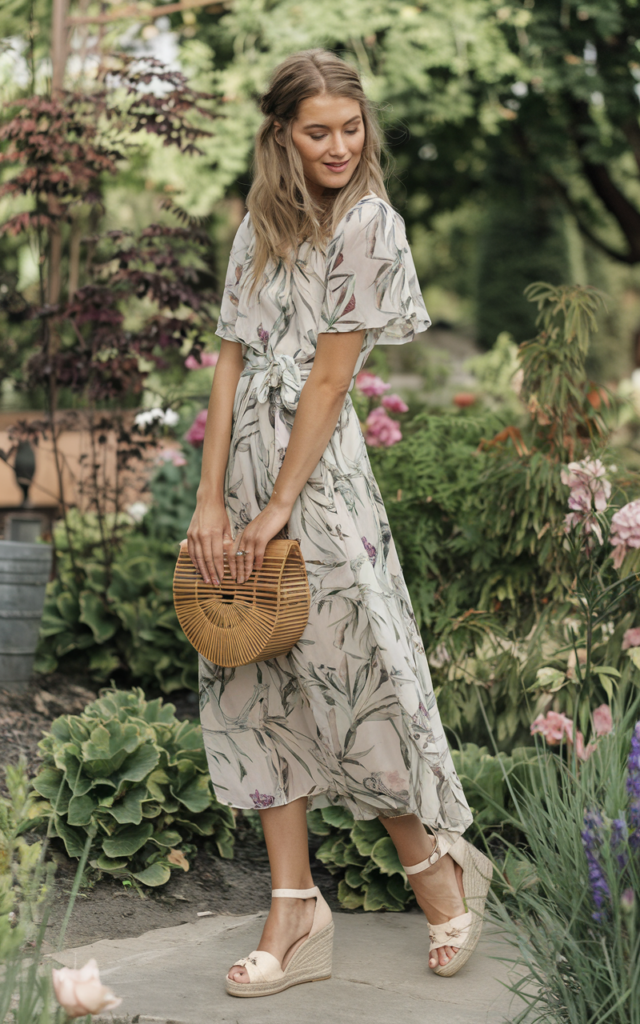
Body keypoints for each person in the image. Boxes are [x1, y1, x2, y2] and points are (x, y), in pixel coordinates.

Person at [187, 47, 492, 998]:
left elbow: (329, 376)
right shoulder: (257, 227)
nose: (338, 146)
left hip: (314, 485)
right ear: (281, 134)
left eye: (351, 128)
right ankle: (294, 907)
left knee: (352, 677)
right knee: (253, 682)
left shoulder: (371, 225)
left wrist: (279, 505)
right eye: (317, 131)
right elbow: (231, 362)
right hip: (242, 479)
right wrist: (212, 500)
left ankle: (436, 873)